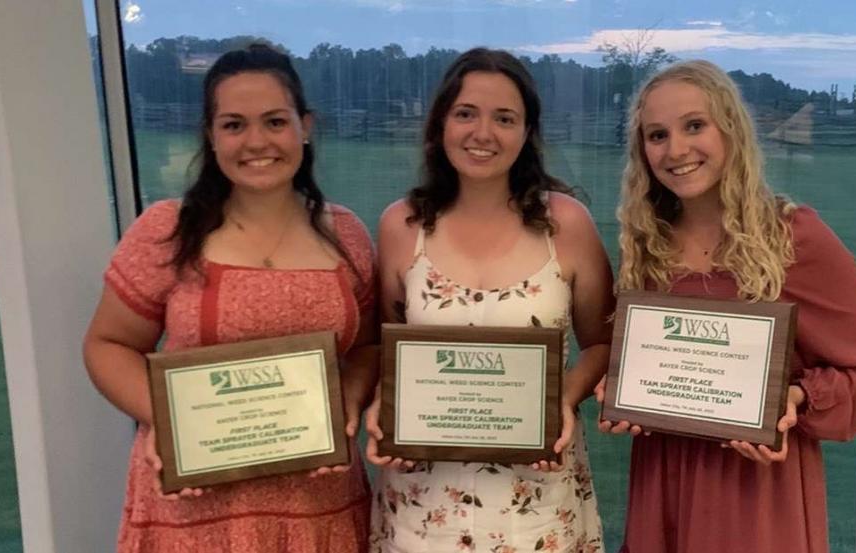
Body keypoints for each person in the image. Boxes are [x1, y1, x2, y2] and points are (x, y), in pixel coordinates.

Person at [83, 44, 376, 552]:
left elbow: (368, 348)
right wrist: (167, 419)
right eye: (234, 124)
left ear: (305, 126)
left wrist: (346, 404)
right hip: (196, 509)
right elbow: (107, 345)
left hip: (317, 504)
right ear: (210, 136)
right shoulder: (168, 232)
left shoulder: (347, 235)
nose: (256, 141)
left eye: (275, 122)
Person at [597, 60, 856, 553]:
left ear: (730, 128)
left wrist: (792, 402)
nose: (676, 150)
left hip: (755, 497)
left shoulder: (794, 238)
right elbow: (651, 365)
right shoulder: (647, 247)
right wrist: (621, 388)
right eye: (657, 135)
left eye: (694, 126)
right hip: (664, 484)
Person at [365, 47, 614, 552]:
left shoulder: (567, 224)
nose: (483, 133)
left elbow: (604, 343)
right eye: (466, 114)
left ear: (527, 132)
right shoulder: (401, 225)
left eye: (504, 118)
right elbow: (379, 348)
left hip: (536, 503)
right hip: (422, 506)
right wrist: (380, 406)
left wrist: (558, 403)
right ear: (439, 125)